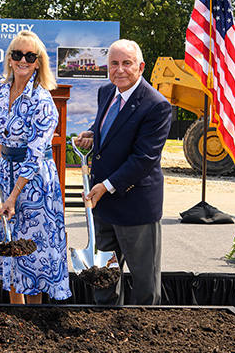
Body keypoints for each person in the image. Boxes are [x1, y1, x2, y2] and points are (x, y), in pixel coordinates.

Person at [74, 39, 172, 306]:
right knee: (103, 280)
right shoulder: (106, 92)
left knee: (144, 285)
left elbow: (144, 158)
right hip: (103, 205)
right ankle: (105, 334)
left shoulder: (156, 105)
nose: (120, 69)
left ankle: (145, 339)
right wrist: (93, 135)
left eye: (126, 63)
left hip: (135, 207)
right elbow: (110, 130)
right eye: (114, 63)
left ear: (140, 67)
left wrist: (105, 185)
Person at [0, 30, 71, 304]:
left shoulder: (42, 100)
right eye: (17, 54)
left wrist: (11, 197)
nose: (23, 60)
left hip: (34, 183)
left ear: (38, 62)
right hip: (8, 174)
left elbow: (34, 155)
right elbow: (2, 133)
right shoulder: (0, 88)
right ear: (9, 58)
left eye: (30, 56)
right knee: (10, 244)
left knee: (31, 251)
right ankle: (15, 317)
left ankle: (33, 320)